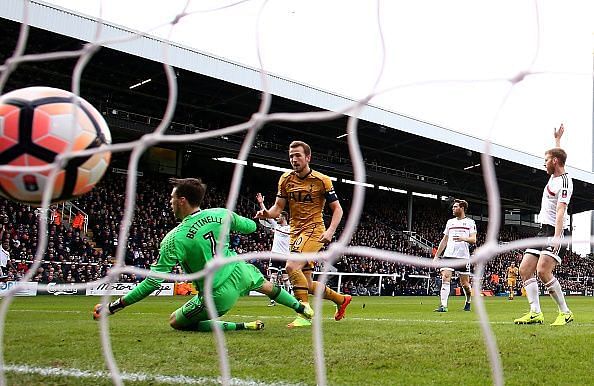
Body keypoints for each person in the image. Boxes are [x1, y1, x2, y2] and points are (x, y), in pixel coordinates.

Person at [93, 177, 313, 331]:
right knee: (267, 286)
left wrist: (113, 306)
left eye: (172, 198)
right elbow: (251, 227)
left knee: (176, 322)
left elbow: (152, 283)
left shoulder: (174, 238)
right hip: (241, 270)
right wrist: (256, 217)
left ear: (182, 200)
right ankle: (301, 308)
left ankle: (241, 326)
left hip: (216, 292)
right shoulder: (220, 213)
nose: (169, 203)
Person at [255, 140, 352, 328]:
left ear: (308, 157)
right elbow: (277, 209)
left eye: (298, 155)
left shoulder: (322, 180)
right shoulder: (285, 180)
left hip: (315, 230)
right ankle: (341, 299)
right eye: (291, 156)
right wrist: (266, 213)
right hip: (295, 233)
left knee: (291, 267)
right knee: (306, 283)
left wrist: (330, 231)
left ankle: (304, 312)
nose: (294, 159)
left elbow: (338, 210)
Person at [514, 124, 574, 326]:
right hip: (542, 230)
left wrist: (557, 237)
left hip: (556, 231)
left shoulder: (565, 182)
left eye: (547, 160)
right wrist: (557, 140)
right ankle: (535, 312)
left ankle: (565, 312)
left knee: (543, 271)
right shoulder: (554, 176)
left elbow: (560, 211)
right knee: (525, 269)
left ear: (555, 162)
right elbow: (558, 155)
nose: (544, 163)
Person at [432, 199, 477, 312]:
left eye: (455, 207)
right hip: (449, 255)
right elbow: (444, 239)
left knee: (465, 284)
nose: (453, 208)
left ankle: (468, 301)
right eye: (453, 207)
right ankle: (443, 306)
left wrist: (463, 238)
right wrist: (437, 256)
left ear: (462, 208)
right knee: (445, 277)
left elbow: (474, 240)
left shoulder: (470, 222)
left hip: (463, 257)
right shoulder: (450, 222)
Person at [256, 192, 291, 307]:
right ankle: (272, 299)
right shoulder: (276, 226)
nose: (277, 217)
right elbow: (267, 215)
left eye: (279, 216)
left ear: (284, 217)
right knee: (273, 277)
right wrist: (261, 203)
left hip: (285, 255)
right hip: (275, 254)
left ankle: (289, 298)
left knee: (286, 278)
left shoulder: (290, 228)